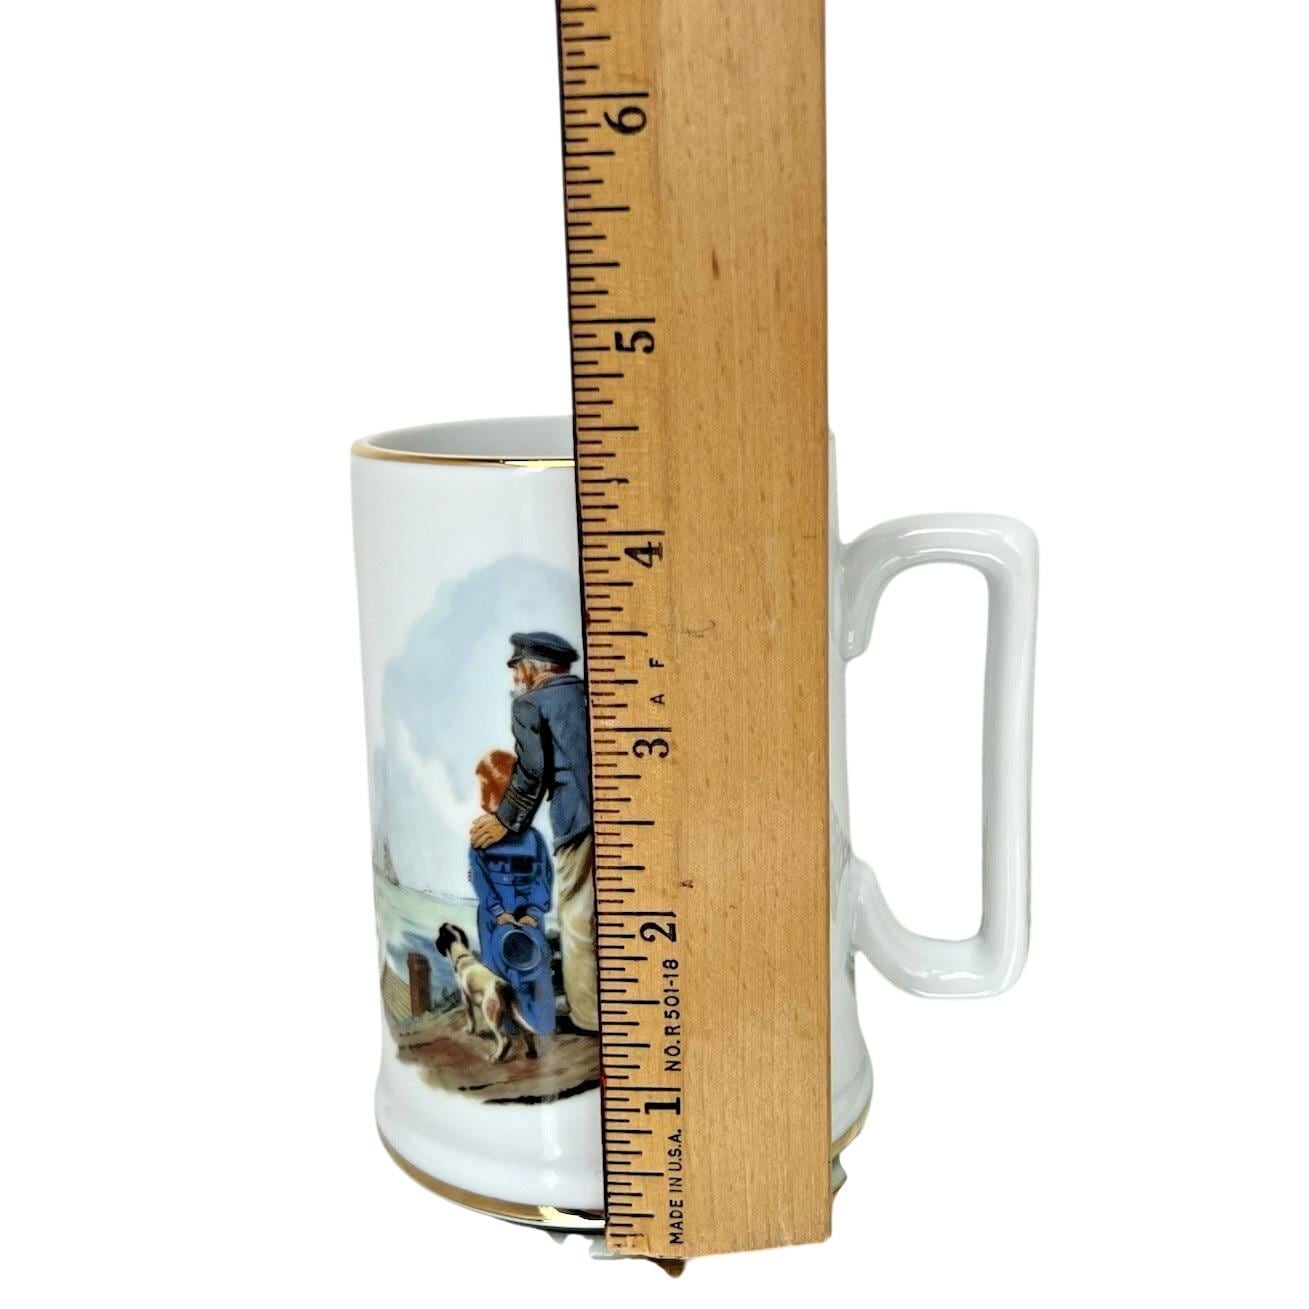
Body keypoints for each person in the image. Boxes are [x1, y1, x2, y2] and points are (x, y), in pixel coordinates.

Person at [469, 631, 596, 1033]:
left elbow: (531, 772)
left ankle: (588, 1017)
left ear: (530, 668)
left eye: (516, 668)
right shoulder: (586, 694)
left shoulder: (529, 704)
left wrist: (504, 821)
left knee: (576, 913)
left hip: (576, 819)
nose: (514, 678)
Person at [467, 750, 555, 1036]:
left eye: (486, 786)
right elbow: (481, 879)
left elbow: (542, 875)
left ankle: (541, 1026)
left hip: (527, 915)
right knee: (498, 973)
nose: (483, 793)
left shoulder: (532, 838)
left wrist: (533, 912)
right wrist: (498, 912)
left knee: (535, 966)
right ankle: (509, 1029)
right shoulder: (482, 837)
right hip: (495, 919)